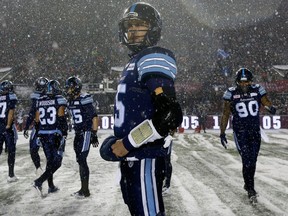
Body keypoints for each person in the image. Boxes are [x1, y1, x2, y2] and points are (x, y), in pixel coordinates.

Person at [100, 2, 183, 215]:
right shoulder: (134, 61)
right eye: (129, 26)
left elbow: (169, 115)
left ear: (153, 27)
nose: (132, 30)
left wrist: (127, 143)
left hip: (144, 158)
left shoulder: (153, 55)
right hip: (132, 160)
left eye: (139, 24)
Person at [219, 68, 276, 204]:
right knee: (247, 160)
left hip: (255, 130)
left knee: (253, 160)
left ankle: (248, 183)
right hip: (240, 132)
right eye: (241, 82)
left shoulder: (257, 89)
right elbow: (226, 113)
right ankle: (250, 188)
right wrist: (222, 132)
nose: (244, 85)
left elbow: (267, 103)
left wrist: (271, 108)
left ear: (251, 81)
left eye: (247, 82)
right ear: (237, 82)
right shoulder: (231, 93)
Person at [65, 76, 99, 198]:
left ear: (75, 87)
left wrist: (94, 134)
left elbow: (94, 116)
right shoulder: (70, 100)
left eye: (70, 87)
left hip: (85, 133)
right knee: (80, 161)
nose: (68, 89)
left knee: (82, 160)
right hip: (78, 133)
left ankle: (85, 191)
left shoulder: (84, 99)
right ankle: (82, 189)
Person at [33, 80, 68, 196]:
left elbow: (37, 119)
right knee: (57, 162)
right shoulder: (59, 99)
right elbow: (61, 116)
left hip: (43, 134)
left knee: (50, 161)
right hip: (54, 134)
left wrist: (38, 133)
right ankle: (39, 181)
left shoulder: (40, 100)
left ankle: (51, 186)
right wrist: (64, 132)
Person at [23, 77, 49, 173]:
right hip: (48, 127)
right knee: (43, 150)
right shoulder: (53, 96)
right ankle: (42, 170)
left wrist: (26, 127)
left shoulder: (36, 97)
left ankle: (40, 169)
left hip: (42, 127)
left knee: (35, 149)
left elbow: (32, 112)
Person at [0, 80, 18, 183]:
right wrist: (8, 125)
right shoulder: (11, 97)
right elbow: (11, 112)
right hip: (7, 128)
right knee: (11, 151)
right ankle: (11, 175)